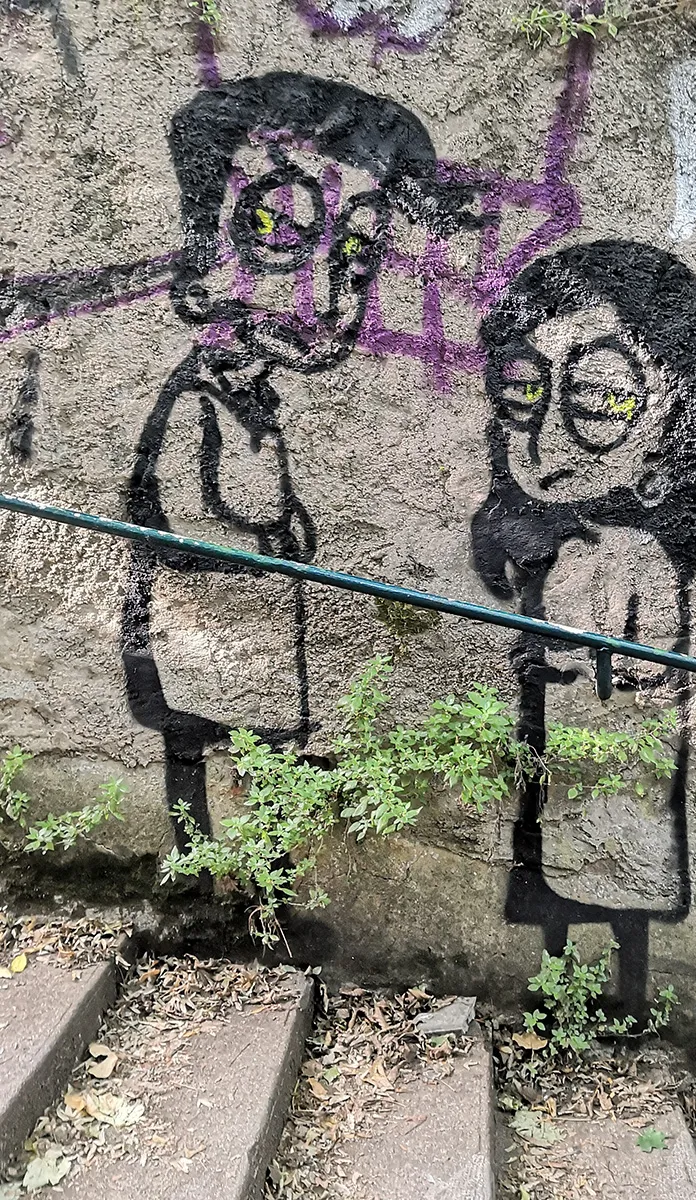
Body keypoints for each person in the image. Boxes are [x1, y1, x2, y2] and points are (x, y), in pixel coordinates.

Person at [121, 73, 484, 848]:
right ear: (202, 249)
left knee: (259, 755)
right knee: (202, 752)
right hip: (208, 637)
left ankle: (256, 874)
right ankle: (206, 867)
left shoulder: (253, 396)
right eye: (283, 229)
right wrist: (270, 534)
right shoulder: (200, 397)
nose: (326, 293)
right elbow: (181, 516)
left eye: (355, 252)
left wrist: (284, 529)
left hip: (254, 640)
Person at [470, 240, 696, 1011]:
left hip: (625, 745)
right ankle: (561, 987)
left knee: (622, 870)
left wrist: (576, 663)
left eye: (597, 402)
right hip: (565, 735)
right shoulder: (565, 548)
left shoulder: (645, 562)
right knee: (555, 863)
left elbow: (646, 662)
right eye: (523, 395)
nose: (545, 447)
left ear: (671, 426)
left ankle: (627, 998)